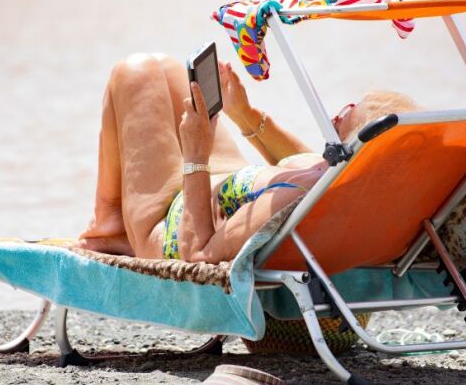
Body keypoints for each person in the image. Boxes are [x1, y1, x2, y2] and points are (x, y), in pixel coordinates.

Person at [76, 53, 419, 263]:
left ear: (355, 145)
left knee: (133, 71)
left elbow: (199, 256)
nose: (332, 118)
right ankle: (112, 222)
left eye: (345, 115)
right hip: (225, 184)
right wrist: (243, 113)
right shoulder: (342, 181)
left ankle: (109, 221)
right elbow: (301, 160)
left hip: (171, 225)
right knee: (168, 67)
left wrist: (196, 151)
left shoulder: (293, 198)